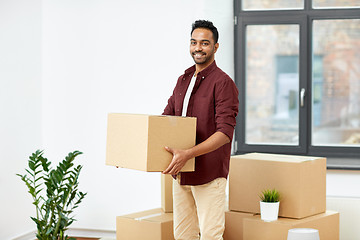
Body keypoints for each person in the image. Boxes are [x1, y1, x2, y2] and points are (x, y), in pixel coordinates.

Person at [162, 20, 239, 240]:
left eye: (205, 43)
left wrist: (189, 153)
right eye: (194, 42)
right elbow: (166, 119)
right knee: (183, 236)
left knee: (210, 236)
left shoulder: (223, 83)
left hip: (209, 174)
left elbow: (225, 133)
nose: (198, 48)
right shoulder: (183, 80)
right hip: (181, 173)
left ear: (215, 47)